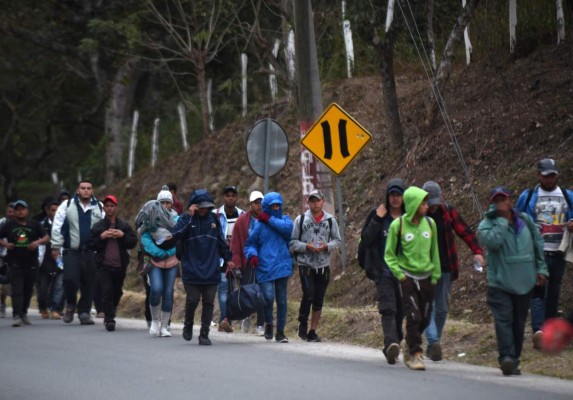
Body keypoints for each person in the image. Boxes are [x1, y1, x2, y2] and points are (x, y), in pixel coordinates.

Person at [478, 186, 548, 375]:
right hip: (499, 284)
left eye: (504, 199)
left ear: (510, 200)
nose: (500, 203)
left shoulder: (525, 221)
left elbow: (537, 243)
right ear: (492, 203)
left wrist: (541, 268)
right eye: (496, 200)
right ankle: (506, 357)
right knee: (504, 320)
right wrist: (501, 221)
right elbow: (492, 242)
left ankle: (514, 358)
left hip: (524, 282)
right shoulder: (486, 224)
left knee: (518, 322)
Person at [421, 181, 485, 361]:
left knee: (441, 309)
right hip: (424, 270)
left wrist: (477, 252)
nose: (433, 206)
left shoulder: (448, 212)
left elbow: (465, 232)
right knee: (428, 307)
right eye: (429, 202)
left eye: (435, 202)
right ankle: (433, 342)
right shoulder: (417, 215)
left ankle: (434, 344)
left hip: (446, 268)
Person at [516, 158, 573, 349]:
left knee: (554, 293)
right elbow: (517, 219)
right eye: (546, 175)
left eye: (553, 175)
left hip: (558, 251)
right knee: (538, 291)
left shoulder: (567, 195)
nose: (550, 179)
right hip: (536, 252)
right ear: (538, 175)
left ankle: (550, 332)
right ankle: (538, 332)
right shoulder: (529, 195)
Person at [384, 186, 440, 371]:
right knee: (414, 315)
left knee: (424, 317)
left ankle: (409, 343)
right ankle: (415, 354)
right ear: (414, 204)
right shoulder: (397, 225)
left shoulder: (430, 224)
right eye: (423, 202)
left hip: (427, 277)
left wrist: (435, 276)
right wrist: (399, 275)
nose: (426, 205)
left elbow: (435, 253)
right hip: (407, 277)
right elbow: (389, 254)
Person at [172, 189, 234, 345]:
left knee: (208, 302)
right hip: (191, 269)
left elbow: (221, 242)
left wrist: (229, 259)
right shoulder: (186, 219)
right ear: (194, 206)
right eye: (201, 206)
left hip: (211, 268)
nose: (204, 209)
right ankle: (188, 325)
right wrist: (188, 216)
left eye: (207, 206)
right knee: (192, 300)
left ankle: (204, 334)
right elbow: (176, 234)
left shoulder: (214, 220)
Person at [360, 178, 406, 364]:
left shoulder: (409, 217)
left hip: (405, 273)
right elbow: (366, 239)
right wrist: (378, 219)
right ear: (387, 196)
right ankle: (391, 344)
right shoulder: (378, 214)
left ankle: (395, 342)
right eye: (392, 195)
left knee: (401, 311)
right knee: (388, 309)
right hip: (384, 271)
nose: (395, 198)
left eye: (398, 195)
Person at [51, 179, 104, 325]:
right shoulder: (67, 205)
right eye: (83, 188)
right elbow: (57, 226)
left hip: (92, 252)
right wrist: (55, 246)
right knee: (69, 280)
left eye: (88, 188)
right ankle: (70, 304)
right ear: (78, 190)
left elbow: (105, 227)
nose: (86, 190)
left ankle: (84, 312)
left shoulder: (99, 207)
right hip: (71, 251)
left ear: (92, 191)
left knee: (89, 283)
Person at [290, 189, 341, 342]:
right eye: (312, 201)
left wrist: (326, 246)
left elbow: (337, 241)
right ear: (308, 203)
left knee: (319, 298)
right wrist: (307, 246)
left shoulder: (330, 220)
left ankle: (313, 330)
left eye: (318, 200)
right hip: (305, 263)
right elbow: (293, 242)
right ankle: (302, 323)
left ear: (322, 202)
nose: (315, 204)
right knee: (309, 293)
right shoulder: (301, 219)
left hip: (323, 264)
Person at [244, 192, 293, 343]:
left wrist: (269, 219)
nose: (276, 208)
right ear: (267, 207)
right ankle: (269, 324)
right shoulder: (259, 225)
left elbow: (287, 230)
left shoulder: (285, 220)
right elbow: (250, 244)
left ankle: (280, 332)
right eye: (273, 206)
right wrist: (252, 255)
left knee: (282, 301)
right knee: (268, 297)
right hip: (264, 267)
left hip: (282, 265)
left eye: (278, 205)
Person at [87, 195, 137, 332]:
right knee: (106, 291)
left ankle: (110, 311)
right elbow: (90, 244)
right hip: (103, 265)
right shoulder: (98, 226)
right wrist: (101, 237)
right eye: (107, 206)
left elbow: (133, 242)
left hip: (120, 265)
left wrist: (122, 235)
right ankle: (109, 319)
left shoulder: (123, 226)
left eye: (112, 206)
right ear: (104, 208)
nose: (110, 208)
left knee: (117, 291)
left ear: (117, 208)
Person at [0, 200, 49, 326]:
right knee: (17, 290)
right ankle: (16, 315)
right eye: (17, 209)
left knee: (28, 290)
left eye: (22, 209)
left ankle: (23, 313)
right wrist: (6, 244)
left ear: (27, 211)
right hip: (14, 262)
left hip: (31, 262)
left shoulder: (35, 224)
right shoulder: (9, 225)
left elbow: (46, 237)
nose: (20, 211)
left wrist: (36, 243)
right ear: (14, 212)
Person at [140, 186, 179, 337]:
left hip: (172, 261)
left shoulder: (176, 220)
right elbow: (145, 238)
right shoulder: (149, 219)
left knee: (168, 292)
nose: (165, 205)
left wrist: (169, 252)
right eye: (162, 202)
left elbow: (178, 239)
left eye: (168, 202)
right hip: (155, 261)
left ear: (172, 204)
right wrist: (158, 253)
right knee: (156, 289)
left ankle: (164, 326)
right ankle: (155, 321)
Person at [229, 190, 266, 336]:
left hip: (264, 262)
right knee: (249, 292)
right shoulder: (242, 221)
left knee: (262, 293)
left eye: (261, 202)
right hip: (248, 262)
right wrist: (236, 264)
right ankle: (246, 316)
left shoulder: (267, 219)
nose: (259, 206)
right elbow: (236, 244)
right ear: (251, 204)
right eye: (256, 203)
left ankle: (261, 324)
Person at [213, 185, 244, 333]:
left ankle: (224, 322)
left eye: (233, 195)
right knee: (224, 290)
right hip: (221, 259)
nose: (230, 198)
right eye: (227, 195)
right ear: (223, 198)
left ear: (237, 197)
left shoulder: (243, 215)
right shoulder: (215, 215)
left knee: (233, 290)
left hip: (238, 258)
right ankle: (225, 319)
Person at [37, 200, 64, 319]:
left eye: (58, 210)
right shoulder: (41, 225)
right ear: (48, 211)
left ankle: (55, 309)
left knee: (59, 286)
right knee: (43, 289)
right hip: (45, 261)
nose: (55, 213)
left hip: (60, 260)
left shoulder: (66, 225)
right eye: (53, 210)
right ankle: (43, 307)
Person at [0, 202, 15, 318]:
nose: (11, 214)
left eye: (13, 212)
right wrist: (5, 245)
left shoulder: (20, 224)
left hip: (13, 257)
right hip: (1, 256)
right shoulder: (2, 223)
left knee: (7, 284)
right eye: (9, 212)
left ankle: (16, 308)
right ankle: (1, 305)